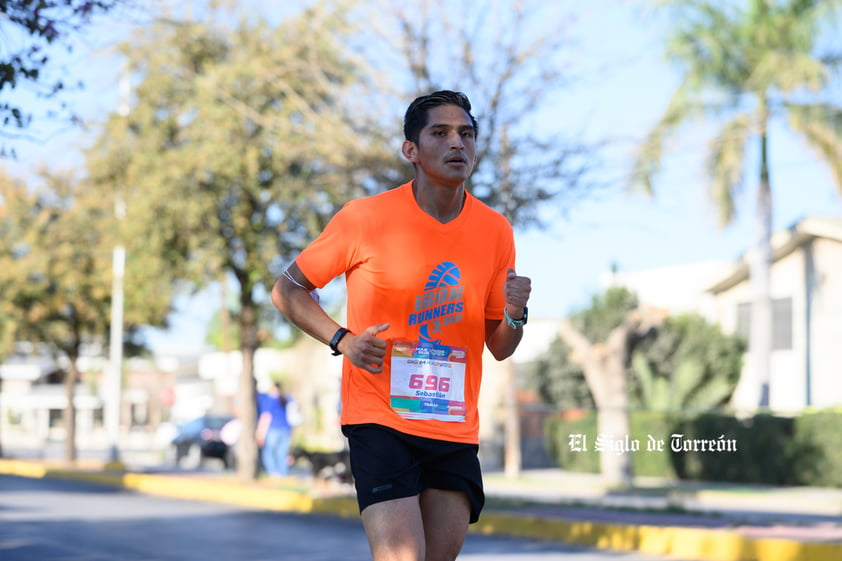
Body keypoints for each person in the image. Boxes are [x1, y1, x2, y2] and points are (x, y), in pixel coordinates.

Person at [271, 90, 531, 561]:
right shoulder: (364, 219)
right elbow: (287, 289)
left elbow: (500, 345)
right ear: (411, 149)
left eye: (467, 134)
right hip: (380, 419)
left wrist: (515, 313)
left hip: (453, 426)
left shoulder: (495, 230)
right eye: (441, 132)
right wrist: (341, 339)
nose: (458, 143)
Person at [255, 381, 295, 478]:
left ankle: (273, 473)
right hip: (286, 429)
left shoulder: (269, 400)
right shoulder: (286, 399)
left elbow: (266, 417)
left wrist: (260, 433)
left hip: (272, 429)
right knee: (282, 453)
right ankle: (283, 473)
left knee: (268, 452)